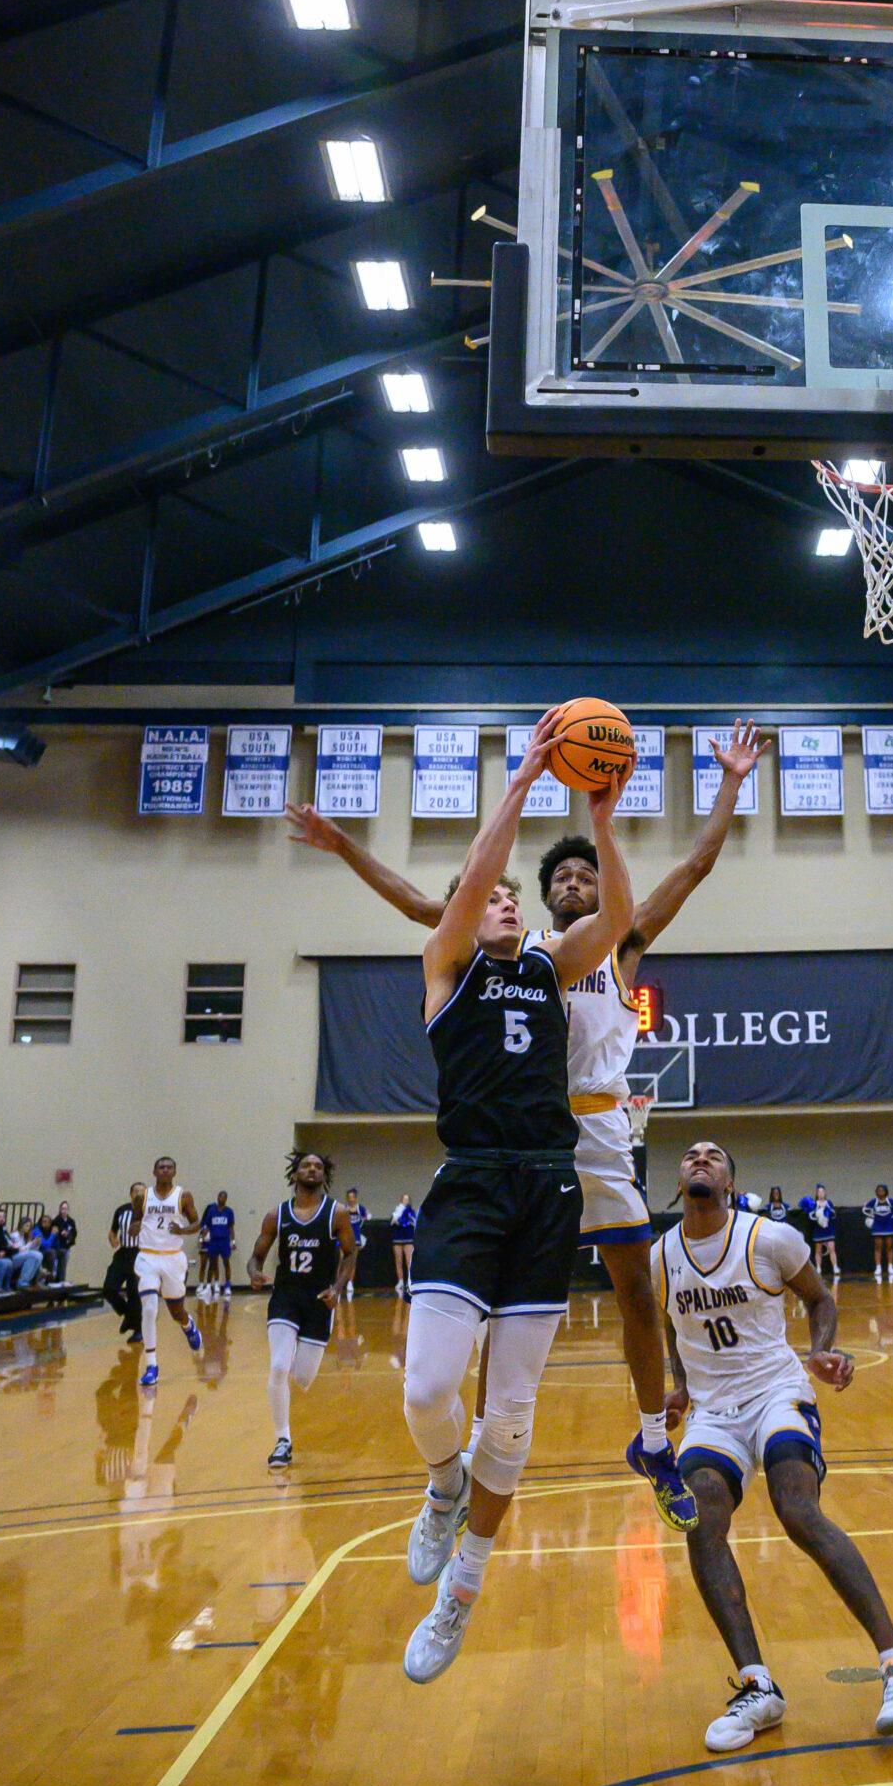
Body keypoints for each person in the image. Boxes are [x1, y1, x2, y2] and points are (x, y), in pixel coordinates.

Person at [294, 716, 762, 1531]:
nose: (579, 884)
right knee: (493, 1302)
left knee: (635, 1299)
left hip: (603, 1132)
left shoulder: (613, 945)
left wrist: (726, 783)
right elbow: (420, 903)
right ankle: (475, 1444)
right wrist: (343, 848)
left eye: (590, 874)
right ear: (546, 894)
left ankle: (653, 1440)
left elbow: (694, 864)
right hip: (523, 1139)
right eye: (567, 878)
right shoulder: (512, 948)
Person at [398, 710, 634, 1684]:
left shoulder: (548, 965)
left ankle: (462, 1592)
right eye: (485, 894)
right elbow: (469, 884)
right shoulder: (446, 968)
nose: (503, 900)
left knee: (512, 1410)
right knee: (426, 1388)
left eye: (511, 894)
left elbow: (614, 921)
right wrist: (522, 781)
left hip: (544, 1186)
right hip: (468, 1185)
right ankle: (442, 1485)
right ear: (464, 912)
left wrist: (601, 815)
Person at [656, 1136, 893, 1752]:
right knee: (701, 1521)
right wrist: (679, 1387)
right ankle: (759, 1688)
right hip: (712, 1414)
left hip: (777, 1393)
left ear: (730, 1179)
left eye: (713, 1155)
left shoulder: (767, 1238)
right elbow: (667, 1323)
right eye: (690, 1155)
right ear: (679, 1181)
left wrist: (821, 1351)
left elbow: (819, 1298)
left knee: (796, 1509)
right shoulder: (661, 1256)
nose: (700, 1158)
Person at [247, 1150, 358, 1468]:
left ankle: (286, 1385)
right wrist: (253, 1271)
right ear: (294, 1174)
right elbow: (257, 1254)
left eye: (318, 1166)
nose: (312, 1169)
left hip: (319, 1301)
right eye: (306, 1165)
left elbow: (350, 1254)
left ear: (325, 1175)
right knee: (279, 1367)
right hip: (285, 1299)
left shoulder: (336, 1213)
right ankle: (283, 1440)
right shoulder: (276, 1215)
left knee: (304, 1378)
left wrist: (337, 1289)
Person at [136, 1157, 204, 1390]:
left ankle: (188, 1326)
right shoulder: (142, 1196)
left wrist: (183, 1230)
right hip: (147, 1256)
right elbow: (136, 1220)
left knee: (176, 1311)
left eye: (169, 1167)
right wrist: (134, 1227)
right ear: (154, 1171)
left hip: (173, 1257)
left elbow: (197, 1223)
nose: (165, 1170)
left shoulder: (183, 1196)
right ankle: (152, 1365)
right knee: (149, 1308)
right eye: (161, 1167)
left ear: (174, 1171)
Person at [103, 1187, 145, 1340]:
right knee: (109, 1288)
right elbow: (113, 1231)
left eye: (142, 1191)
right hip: (123, 1253)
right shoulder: (121, 1210)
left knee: (134, 1292)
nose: (139, 1194)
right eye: (136, 1191)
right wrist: (113, 1240)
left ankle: (138, 1330)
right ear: (131, 1194)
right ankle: (128, 1315)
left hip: (140, 1253)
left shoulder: (150, 1211)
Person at [197, 1191, 235, 1302]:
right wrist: (201, 1238)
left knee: (226, 1263)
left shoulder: (229, 1212)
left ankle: (227, 1287)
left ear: (226, 1199)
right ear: (217, 1197)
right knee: (212, 1264)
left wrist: (233, 1241)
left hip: (224, 1241)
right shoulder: (211, 1211)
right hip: (213, 1241)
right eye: (220, 1196)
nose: (221, 1199)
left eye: (224, 1197)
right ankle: (212, 1286)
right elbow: (207, 1226)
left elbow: (231, 1227)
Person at [863, 1184, 893, 1283]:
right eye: (878, 1190)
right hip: (877, 1227)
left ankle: (890, 1267)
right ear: (876, 1192)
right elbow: (864, 1209)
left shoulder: (891, 1201)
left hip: (889, 1226)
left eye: (882, 1190)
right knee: (878, 1247)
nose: (880, 1191)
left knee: (889, 1247)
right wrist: (872, 1215)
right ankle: (878, 1267)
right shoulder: (874, 1201)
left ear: (886, 1191)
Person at [799, 1185, 839, 1281]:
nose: (821, 1193)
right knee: (818, 1250)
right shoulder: (813, 1204)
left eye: (823, 1192)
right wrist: (817, 1215)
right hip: (819, 1230)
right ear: (817, 1194)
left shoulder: (828, 1203)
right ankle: (818, 1268)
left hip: (828, 1230)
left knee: (831, 1248)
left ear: (825, 1193)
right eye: (819, 1192)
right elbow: (811, 1216)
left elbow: (833, 1214)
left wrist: (827, 1212)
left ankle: (835, 1267)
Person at [391, 1194, 418, 1298]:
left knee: (409, 1260)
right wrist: (397, 1220)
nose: (406, 1201)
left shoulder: (411, 1212)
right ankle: (400, 1281)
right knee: (398, 1260)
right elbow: (393, 1222)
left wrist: (407, 1221)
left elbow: (414, 1223)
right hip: (397, 1237)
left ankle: (409, 1281)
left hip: (408, 1238)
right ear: (401, 1200)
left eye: (407, 1199)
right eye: (404, 1199)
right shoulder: (396, 1211)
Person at [343, 1189, 368, 1299]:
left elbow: (365, 1219)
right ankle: (339, 1282)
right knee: (341, 1260)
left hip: (356, 1237)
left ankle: (350, 1282)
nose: (351, 1199)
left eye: (353, 1197)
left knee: (353, 1261)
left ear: (356, 1198)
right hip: (344, 1236)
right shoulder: (344, 1208)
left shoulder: (360, 1208)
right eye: (349, 1197)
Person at [45, 1202, 77, 1285]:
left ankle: (61, 1281)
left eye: (66, 1209)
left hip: (67, 1247)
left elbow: (74, 1233)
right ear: (60, 1209)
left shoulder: (71, 1221)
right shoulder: (56, 1221)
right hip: (58, 1247)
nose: (64, 1211)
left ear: (68, 1210)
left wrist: (69, 1235)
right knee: (55, 1266)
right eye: (62, 1208)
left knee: (63, 1266)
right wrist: (61, 1233)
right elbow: (53, 1232)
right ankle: (53, 1282)